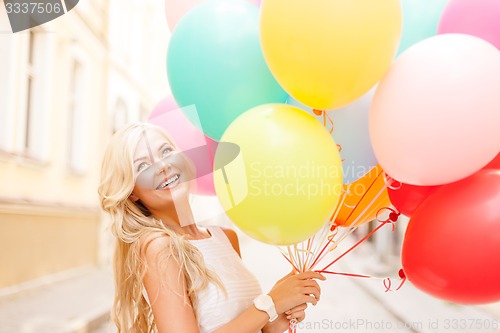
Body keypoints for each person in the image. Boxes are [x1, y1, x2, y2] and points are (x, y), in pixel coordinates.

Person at [98, 122, 325, 333]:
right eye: (143, 166)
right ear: (133, 192)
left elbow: (249, 326)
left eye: (166, 152)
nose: (163, 166)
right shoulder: (160, 247)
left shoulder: (225, 237)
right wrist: (270, 302)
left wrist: (278, 314)